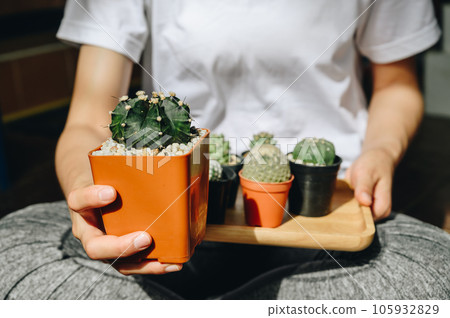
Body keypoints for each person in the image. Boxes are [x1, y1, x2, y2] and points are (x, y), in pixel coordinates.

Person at [0, 0, 449, 299]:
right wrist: (89, 192)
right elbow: (87, 118)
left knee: (433, 281)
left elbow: (397, 86)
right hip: (165, 221)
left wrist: (382, 151)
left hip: (326, 215)